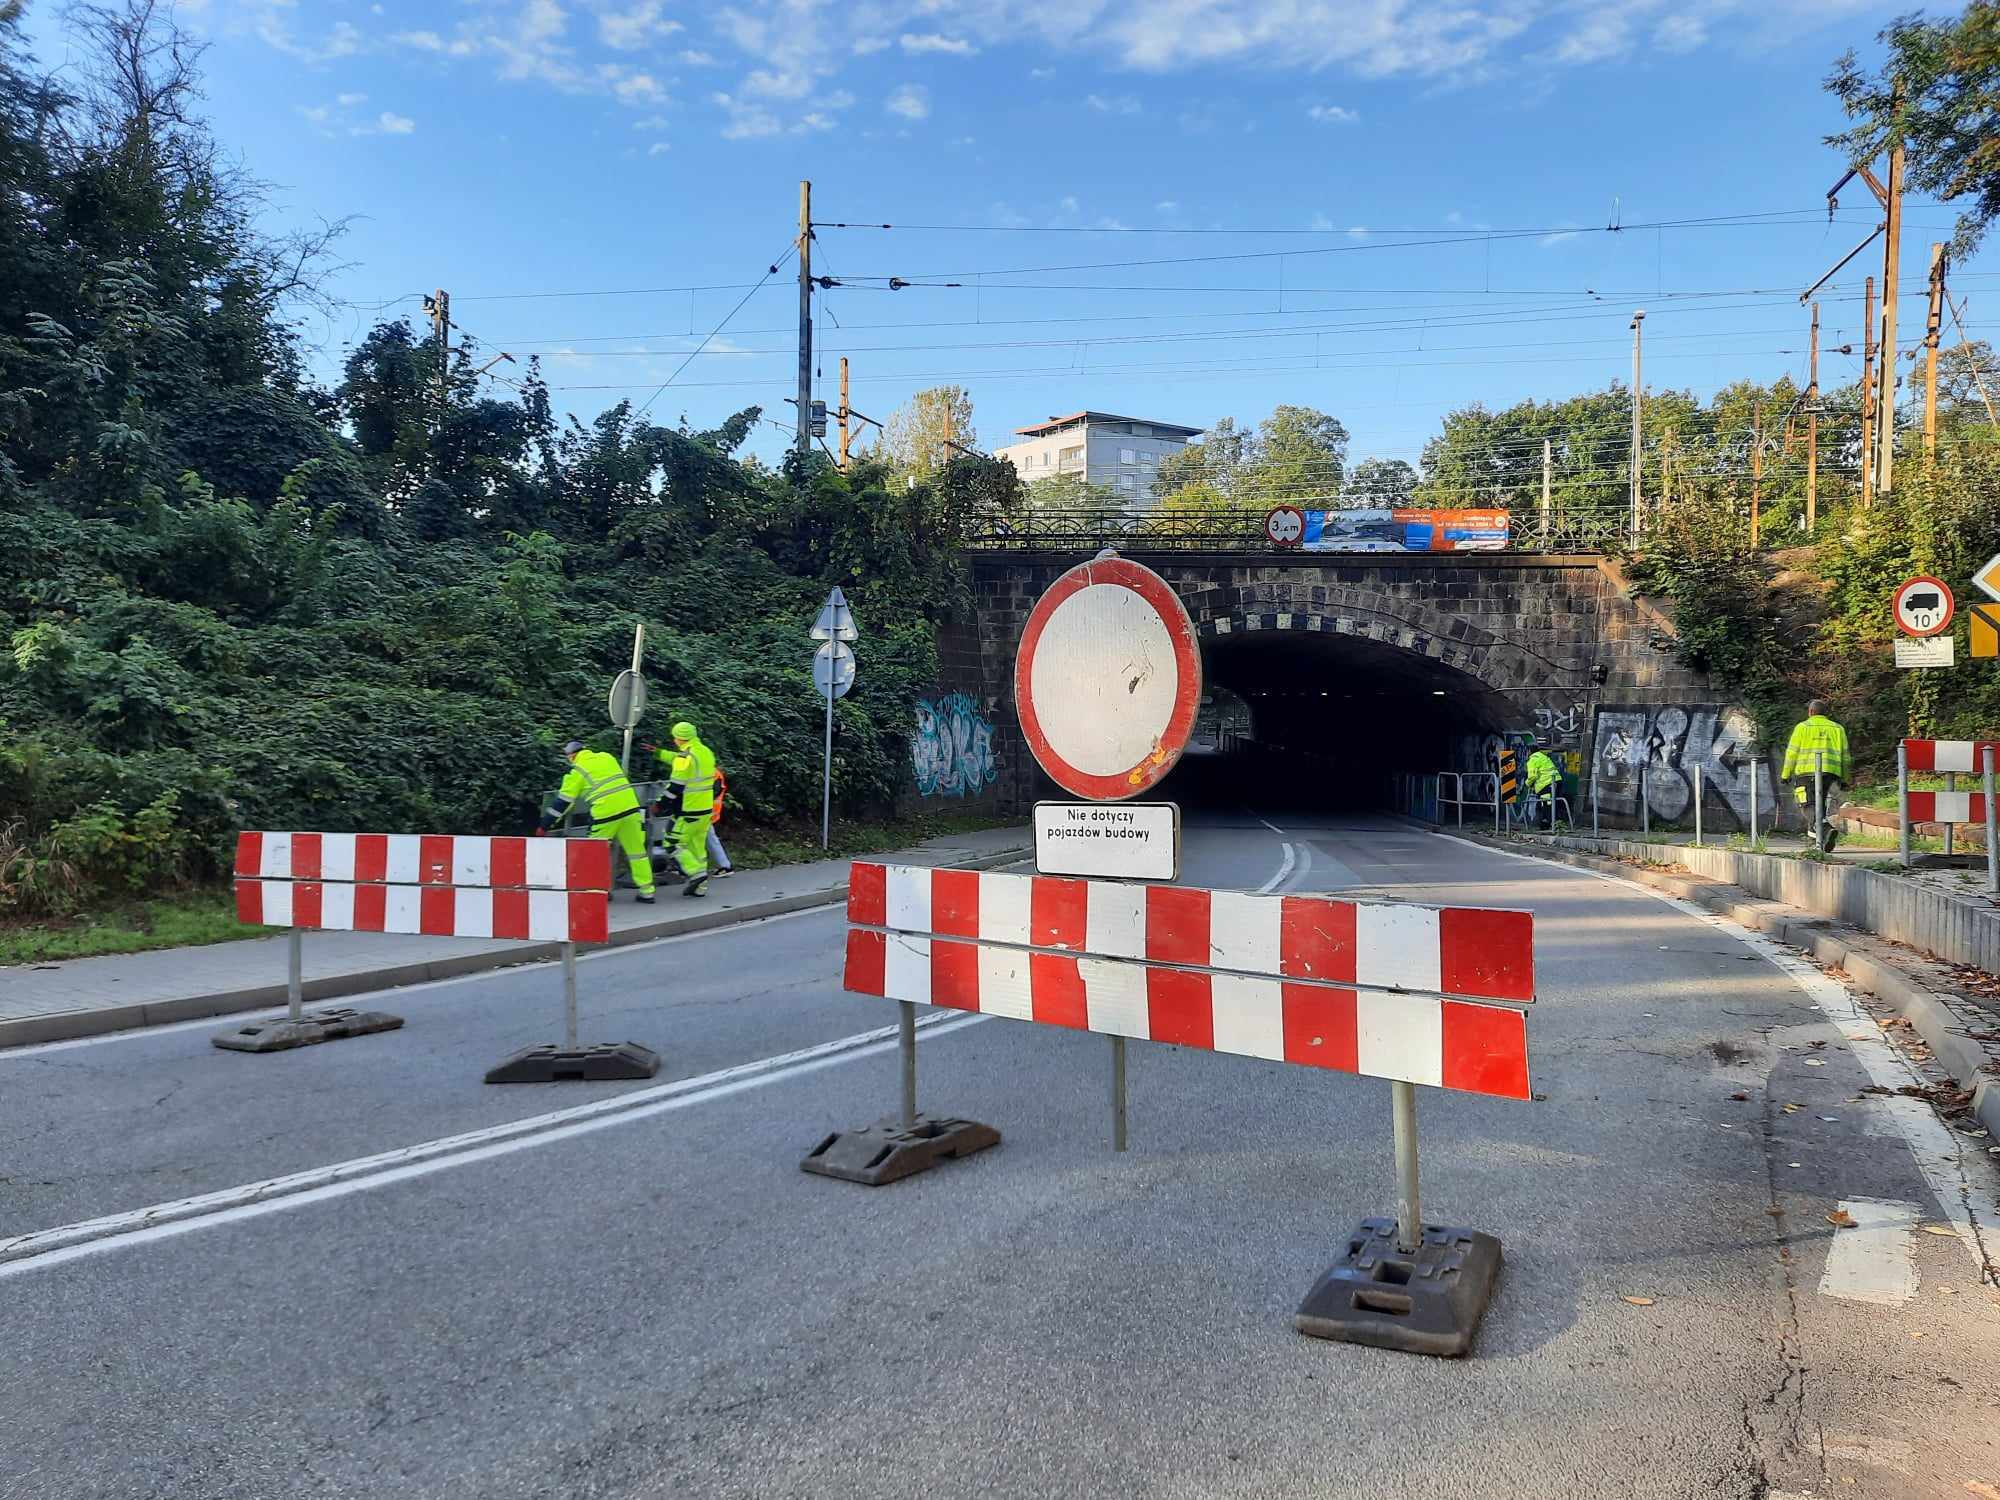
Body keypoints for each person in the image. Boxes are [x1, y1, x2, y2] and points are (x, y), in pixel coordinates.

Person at [537, 739, 656, 903]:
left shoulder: (577, 772)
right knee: (637, 852)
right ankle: (647, 891)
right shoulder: (607, 757)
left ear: (571, 756)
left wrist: (545, 825)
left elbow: (562, 803)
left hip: (605, 815)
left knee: (596, 853)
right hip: (631, 808)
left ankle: (600, 890)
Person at [647, 720, 718, 897]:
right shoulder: (704, 752)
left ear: (678, 738)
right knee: (697, 848)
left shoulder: (686, 757)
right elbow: (678, 759)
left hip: (687, 810)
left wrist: (659, 805)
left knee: (671, 844)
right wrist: (658, 753)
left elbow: (675, 787)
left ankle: (696, 873)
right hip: (705, 809)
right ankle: (701, 888)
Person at [1781, 699, 1849, 853]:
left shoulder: (1802, 727)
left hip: (1806, 772)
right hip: (1829, 773)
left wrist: (1785, 774)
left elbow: (1792, 753)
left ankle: (1824, 828)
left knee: (1806, 804)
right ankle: (1818, 840)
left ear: (1810, 712)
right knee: (1820, 803)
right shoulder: (1838, 728)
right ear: (1825, 713)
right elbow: (1846, 757)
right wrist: (1844, 779)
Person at [1524, 742, 1562, 827]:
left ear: (1529, 751)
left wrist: (1527, 784)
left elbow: (1532, 776)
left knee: (1547, 805)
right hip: (1557, 781)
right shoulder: (1543, 756)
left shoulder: (1533, 759)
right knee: (1552, 804)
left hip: (1546, 784)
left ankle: (1553, 825)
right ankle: (1550, 824)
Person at [707, 763, 734, 877]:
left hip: (705, 811)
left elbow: (711, 793)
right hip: (708, 811)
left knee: (709, 839)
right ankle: (724, 866)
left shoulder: (713, 774)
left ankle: (725, 866)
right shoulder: (714, 774)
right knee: (709, 839)